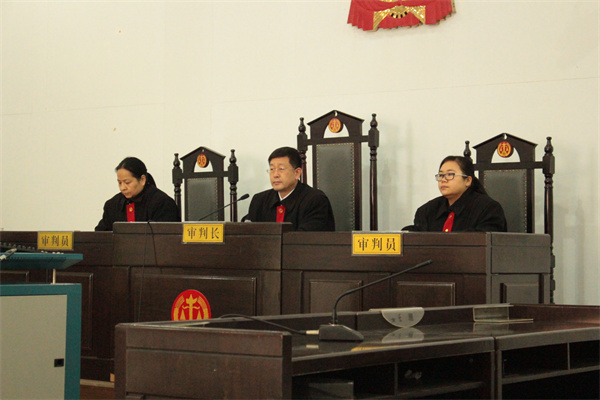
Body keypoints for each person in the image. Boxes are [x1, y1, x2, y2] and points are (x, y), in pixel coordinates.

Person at [403, 155, 507, 232]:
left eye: (450, 174)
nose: (443, 180)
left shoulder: (488, 209)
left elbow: (485, 243)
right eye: (441, 175)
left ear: (468, 180)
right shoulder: (426, 211)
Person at [244, 147, 335, 231]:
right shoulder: (259, 200)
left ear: (297, 173)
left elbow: (309, 238)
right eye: (272, 169)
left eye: (281, 169)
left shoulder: (315, 200)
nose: (275, 175)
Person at [95, 157, 180, 231]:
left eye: (127, 182)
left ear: (142, 180)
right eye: (119, 183)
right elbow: (100, 237)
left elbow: (167, 238)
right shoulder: (112, 205)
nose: (122, 188)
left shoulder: (162, 203)